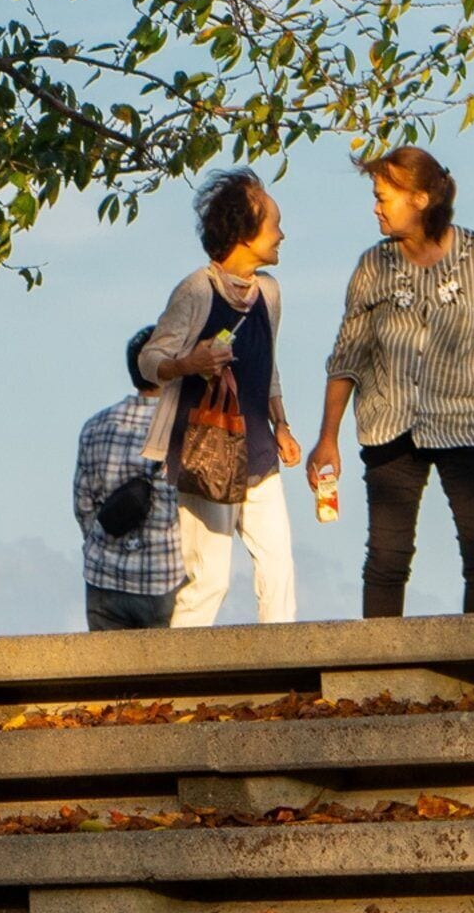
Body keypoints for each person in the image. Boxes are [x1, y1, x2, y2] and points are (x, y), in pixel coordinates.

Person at [307, 144, 474, 620]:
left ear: (419, 199)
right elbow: (346, 356)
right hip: (390, 424)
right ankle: (379, 678)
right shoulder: (374, 266)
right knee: (388, 559)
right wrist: (326, 437)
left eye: (383, 196)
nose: (375, 206)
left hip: (467, 421)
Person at [138, 169, 301, 626]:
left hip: (258, 447)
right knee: (210, 577)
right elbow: (151, 359)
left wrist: (282, 423)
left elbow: (267, 364)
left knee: (278, 567)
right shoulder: (195, 290)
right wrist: (189, 363)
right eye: (274, 225)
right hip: (205, 447)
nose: (281, 236)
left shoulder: (269, 291)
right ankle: (179, 681)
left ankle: (282, 666)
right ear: (245, 234)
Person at [74, 324, 182, 629]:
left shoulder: (96, 426)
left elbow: (83, 505)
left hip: (103, 578)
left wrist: (105, 544)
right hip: (165, 577)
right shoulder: (182, 426)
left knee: (112, 677)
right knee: (169, 676)